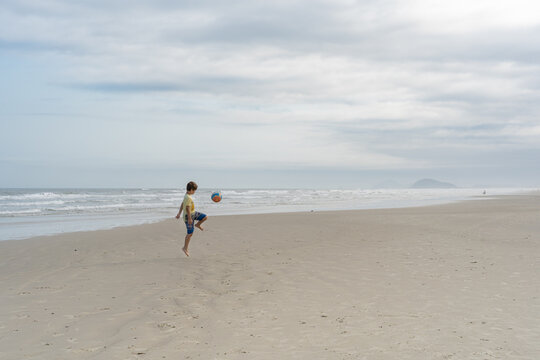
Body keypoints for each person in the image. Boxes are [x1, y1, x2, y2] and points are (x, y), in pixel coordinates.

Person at [175, 181, 207, 257]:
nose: (194, 192)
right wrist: (189, 219)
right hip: (188, 216)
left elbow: (183, 204)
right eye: (194, 190)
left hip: (193, 213)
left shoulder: (186, 195)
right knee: (190, 234)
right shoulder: (188, 197)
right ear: (191, 189)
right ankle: (185, 248)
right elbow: (187, 207)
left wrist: (179, 213)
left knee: (205, 217)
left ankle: (198, 224)